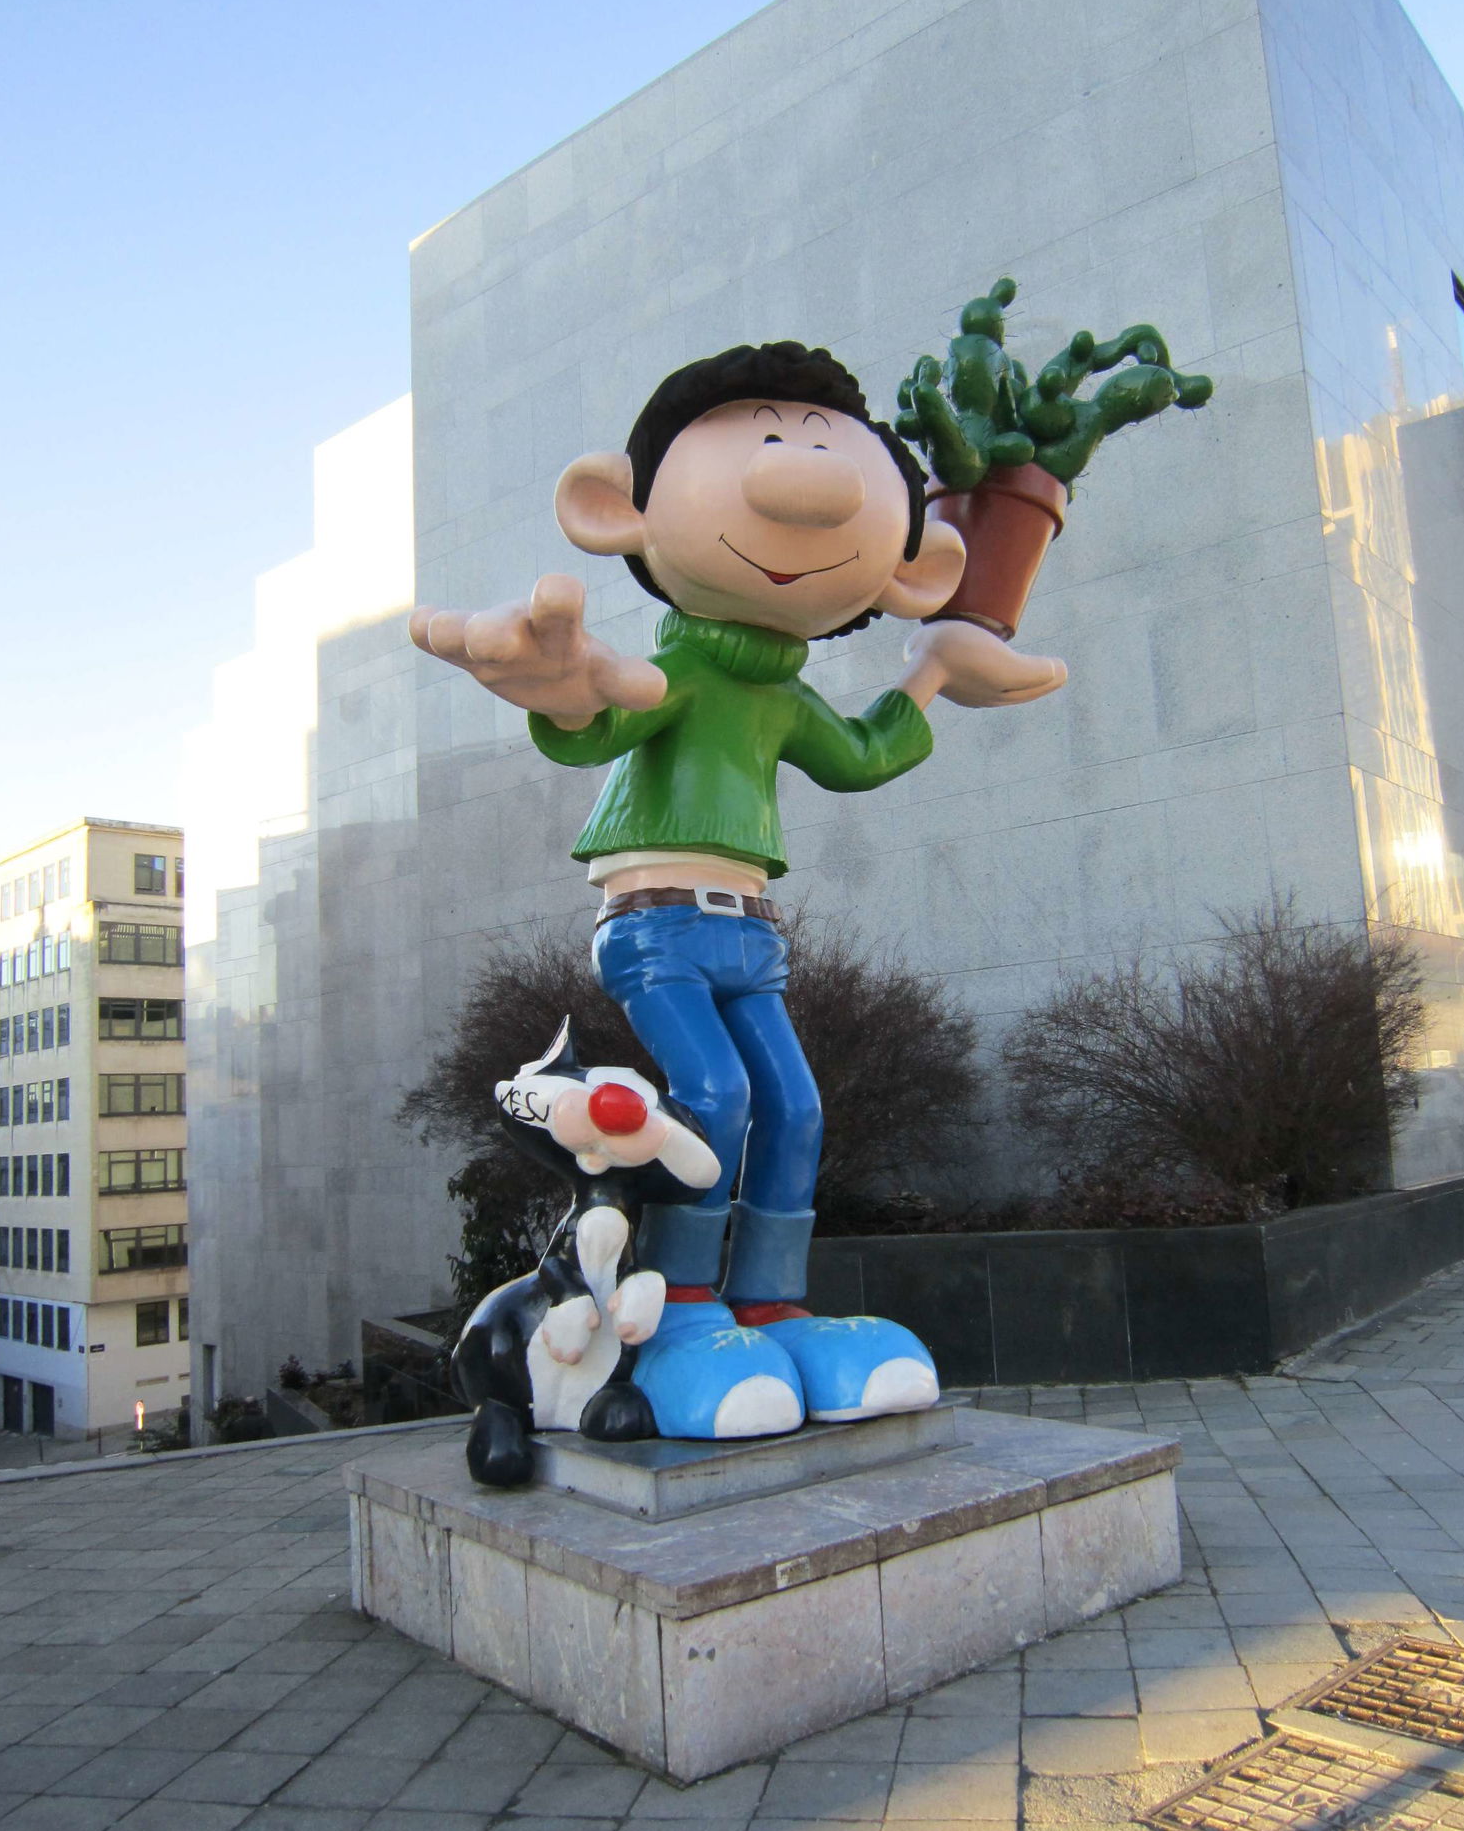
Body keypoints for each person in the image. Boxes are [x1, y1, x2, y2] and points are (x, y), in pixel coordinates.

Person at [411, 341, 1066, 1439]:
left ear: (911, 568)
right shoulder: (678, 672)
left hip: (751, 934)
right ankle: (678, 1306)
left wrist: (935, 668)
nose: (801, 478)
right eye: (766, 443)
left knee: (796, 1106)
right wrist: (563, 697)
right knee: (710, 1098)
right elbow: (606, 717)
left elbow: (858, 756)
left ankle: (772, 1302)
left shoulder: (779, 694)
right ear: (615, 511)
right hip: (656, 927)